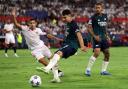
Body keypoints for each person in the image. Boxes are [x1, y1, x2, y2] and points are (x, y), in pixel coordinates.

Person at [11, 8, 63, 78]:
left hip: (42, 47)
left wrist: (57, 38)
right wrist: (13, 16)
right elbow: (16, 24)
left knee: (52, 59)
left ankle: (58, 72)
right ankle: (56, 71)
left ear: (36, 24)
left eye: (33, 23)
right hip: (35, 50)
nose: (32, 24)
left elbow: (46, 35)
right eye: (31, 23)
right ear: (28, 24)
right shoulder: (25, 29)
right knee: (43, 61)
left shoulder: (38, 29)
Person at [40, 9, 87, 83]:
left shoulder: (74, 24)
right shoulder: (68, 25)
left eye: (65, 17)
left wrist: (82, 46)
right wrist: (54, 38)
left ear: (69, 16)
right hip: (68, 45)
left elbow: (79, 35)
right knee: (54, 57)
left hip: (72, 46)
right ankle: (56, 78)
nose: (63, 19)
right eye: (63, 17)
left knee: (57, 54)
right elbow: (66, 38)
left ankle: (47, 68)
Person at [85, 2, 111, 76]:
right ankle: (88, 70)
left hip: (104, 38)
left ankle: (103, 71)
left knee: (107, 53)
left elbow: (104, 27)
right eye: (96, 8)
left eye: (98, 8)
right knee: (97, 53)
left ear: (102, 8)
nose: (97, 9)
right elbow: (89, 28)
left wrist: (107, 35)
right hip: (97, 38)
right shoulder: (93, 17)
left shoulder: (105, 16)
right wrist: (94, 36)